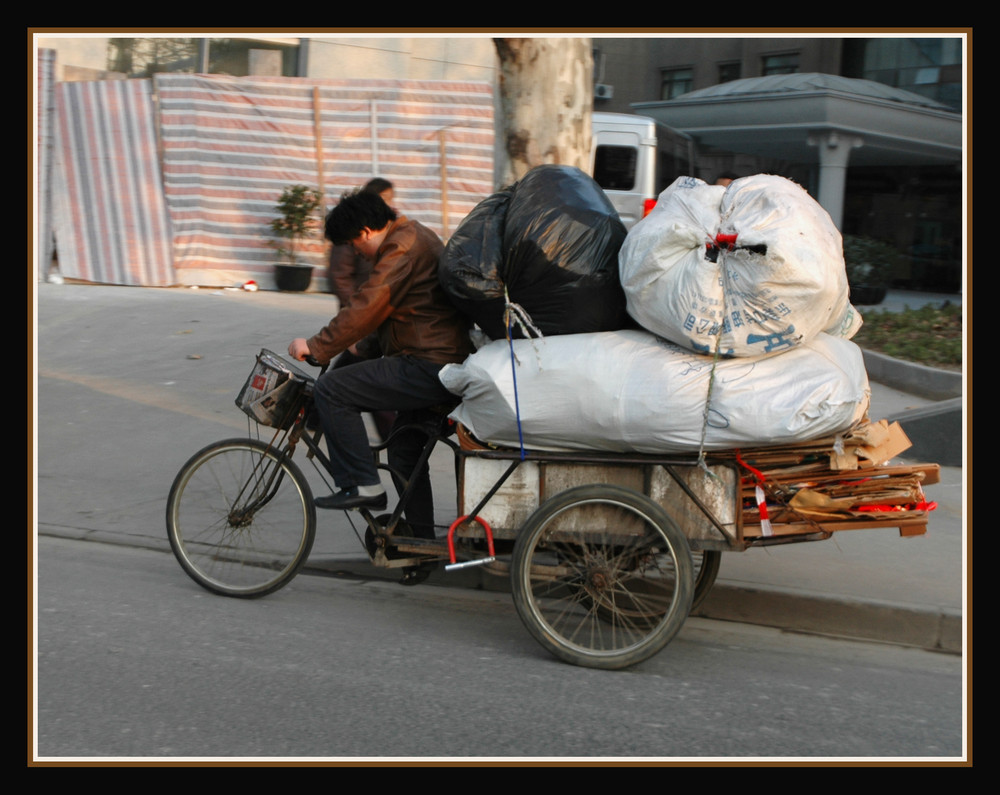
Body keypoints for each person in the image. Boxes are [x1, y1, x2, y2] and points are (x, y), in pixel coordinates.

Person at [288, 190, 473, 543]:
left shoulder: (401, 246)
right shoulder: (413, 236)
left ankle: (363, 483)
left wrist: (316, 346)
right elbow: (409, 309)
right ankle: (418, 545)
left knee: (332, 389)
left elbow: (369, 303)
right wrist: (366, 345)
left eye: (355, 246)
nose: (357, 254)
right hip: (438, 360)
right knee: (404, 451)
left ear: (366, 231)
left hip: (428, 366)